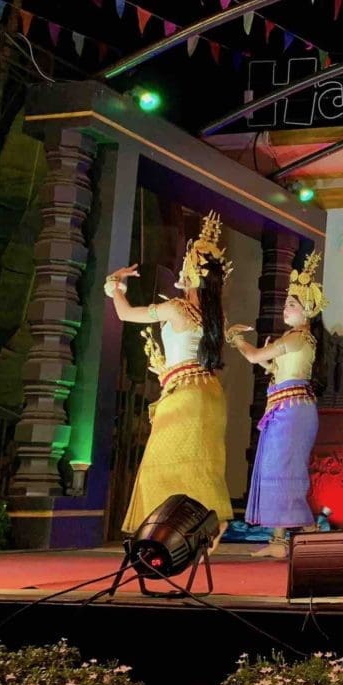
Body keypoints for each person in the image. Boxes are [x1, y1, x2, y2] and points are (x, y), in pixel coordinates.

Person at [107, 211, 234, 544]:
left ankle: (156, 534)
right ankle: (210, 524)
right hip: (209, 392)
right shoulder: (216, 315)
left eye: (186, 262)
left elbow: (124, 314)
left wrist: (114, 286)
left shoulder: (178, 308)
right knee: (199, 464)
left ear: (192, 271)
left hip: (184, 395)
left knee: (160, 466)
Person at [226, 251, 327, 559]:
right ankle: (279, 540)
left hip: (293, 412)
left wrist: (235, 339)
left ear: (308, 310)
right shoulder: (293, 338)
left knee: (286, 472)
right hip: (284, 410)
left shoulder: (300, 338)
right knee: (275, 471)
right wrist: (272, 367)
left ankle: (309, 533)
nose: (286, 307)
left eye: (293, 304)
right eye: (286, 302)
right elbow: (272, 366)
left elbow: (256, 356)